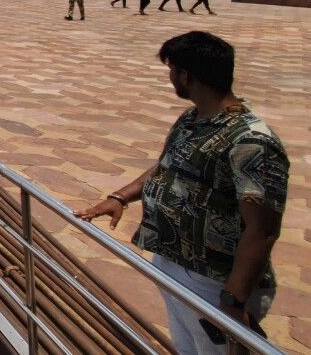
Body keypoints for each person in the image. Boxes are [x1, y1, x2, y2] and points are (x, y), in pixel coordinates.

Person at [75, 32, 288, 355]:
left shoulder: (251, 140)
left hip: (213, 279)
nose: (170, 76)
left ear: (186, 75)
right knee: (187, 346)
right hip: (174, 258)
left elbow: (263, 229)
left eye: (172, 69)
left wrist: (233, 300)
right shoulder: (193, 119)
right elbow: (169, 166)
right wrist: (120, 197)